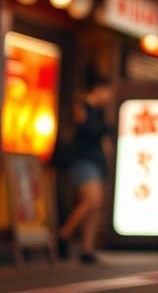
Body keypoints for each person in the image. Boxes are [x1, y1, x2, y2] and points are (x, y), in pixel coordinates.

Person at [57, 72, 113, 263]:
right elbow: (88, 130)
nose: (109, 96)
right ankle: (65, 233)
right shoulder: (82, 106)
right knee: (91, 201)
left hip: (97, 161)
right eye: (107, 91)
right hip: (84, 160)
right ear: (98, 89)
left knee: (96, 206)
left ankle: (87, 248)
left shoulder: (99, 111)